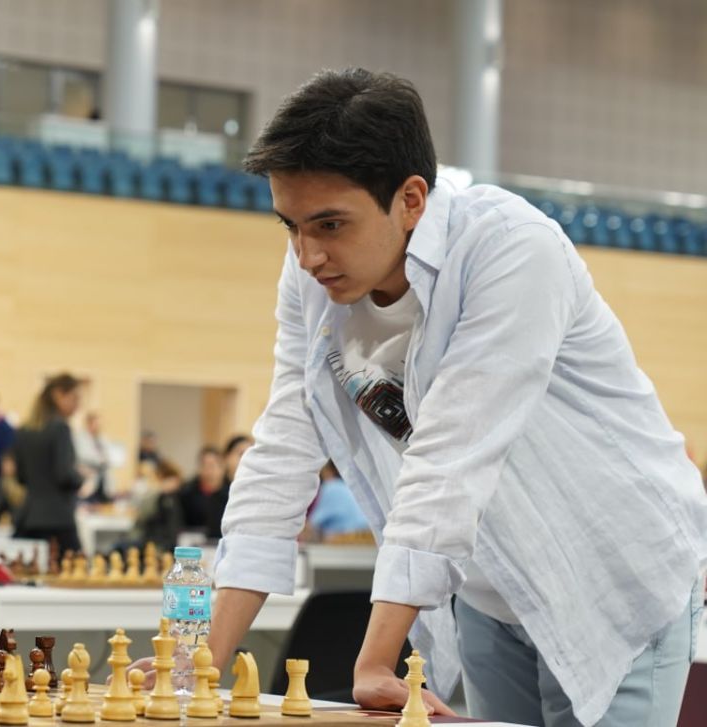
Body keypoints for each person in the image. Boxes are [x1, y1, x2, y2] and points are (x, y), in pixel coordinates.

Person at [206, 69, 707, 727]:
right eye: (291, 226)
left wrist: (374, 661)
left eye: (329, 224)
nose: (307, 255)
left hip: (610, 573)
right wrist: (197, 664)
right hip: (489, 587)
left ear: (411, 198)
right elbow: (282, 451)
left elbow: (450, 459)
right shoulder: (312, 279)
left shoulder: (511, 249)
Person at [11, 373, 84, 555]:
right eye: (74, 398)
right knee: (72, 567)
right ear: (58, 395)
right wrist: (81, 477)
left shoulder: (24, 430)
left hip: (28, 517)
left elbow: (20, 477)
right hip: (58, 518)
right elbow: (64, 475)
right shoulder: (60, 428)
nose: (77, 405)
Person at [304, 462, 369, 540]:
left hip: (349, 538)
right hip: (367, 537)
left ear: (327, 471)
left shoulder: (331, 487)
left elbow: (310, 526)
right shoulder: (348, 487)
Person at [74, 411, 126, 503]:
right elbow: (83, 455)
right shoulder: (80, 437)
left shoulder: (102, 438)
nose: (98, 426)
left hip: (103, 480)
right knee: (87, 502)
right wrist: (100, 459)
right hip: (88, 477)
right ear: (89, 423)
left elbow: (108, 454)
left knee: (103, 503)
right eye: (96, 423)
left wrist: (107, 459)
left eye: (100, 424)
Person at [179, 446, 229, 541]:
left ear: (222, 467)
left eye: (212, 465)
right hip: (194, 543)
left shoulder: (231, 494)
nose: (208, 471)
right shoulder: (187, 494)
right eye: (204, 465)